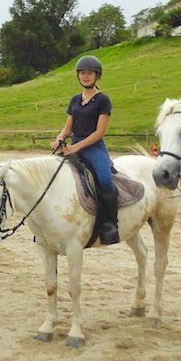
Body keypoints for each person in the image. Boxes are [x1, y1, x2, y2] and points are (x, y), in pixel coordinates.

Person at [51, 55, 120, 246]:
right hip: (74, 144)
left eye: (89, 73)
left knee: (105, 180)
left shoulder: (103, 100)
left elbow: (99, 132)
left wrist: (76, 147)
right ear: (78, 76)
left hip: (93, 147)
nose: (86, 76)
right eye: (82, 73)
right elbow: (68, 127)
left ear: (97, 76)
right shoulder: (74, 100)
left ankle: (110, 224)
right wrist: (60, 138)